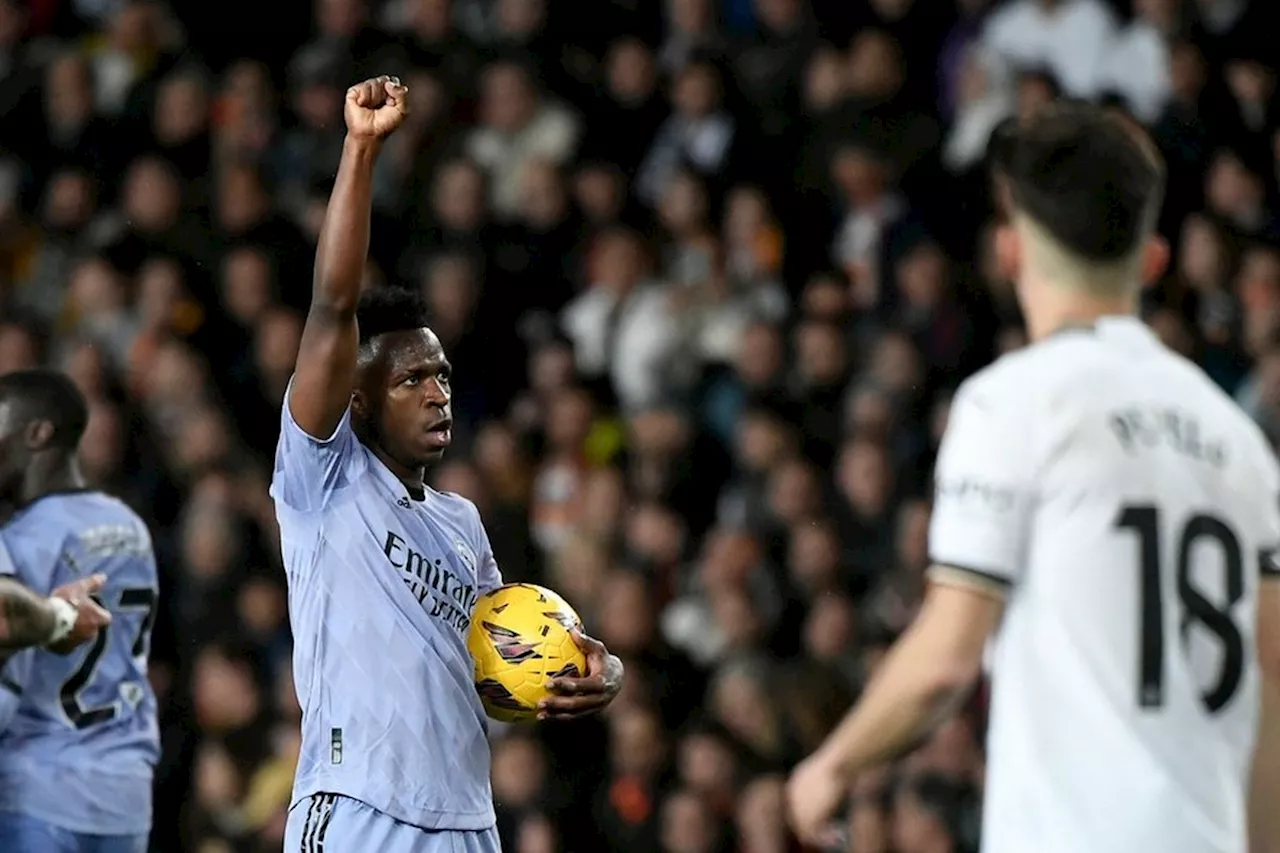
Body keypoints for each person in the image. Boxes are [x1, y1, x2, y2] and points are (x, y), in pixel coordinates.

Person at [786, 102, 1280, 853]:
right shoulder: (1238, 439)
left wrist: (833, 761)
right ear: (1152, 259)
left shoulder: (1012, 404)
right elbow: (1271, 686)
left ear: (1009, 250)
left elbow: (947, 657)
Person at [273, 75, 624, 853]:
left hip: (466, 821)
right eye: (410, 379)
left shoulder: (461, 522)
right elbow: (333, 306)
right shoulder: (320, 478)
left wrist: (599, 670)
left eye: (443, 378)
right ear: (358, 401)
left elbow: (509, 655)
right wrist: (360, 150)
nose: (437, 394)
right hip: (357, 806)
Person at [0, 368, 160, 853]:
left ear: (37, 432)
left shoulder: (21, 540)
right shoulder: (129, 524)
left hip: (41, 790)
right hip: (126, 793)